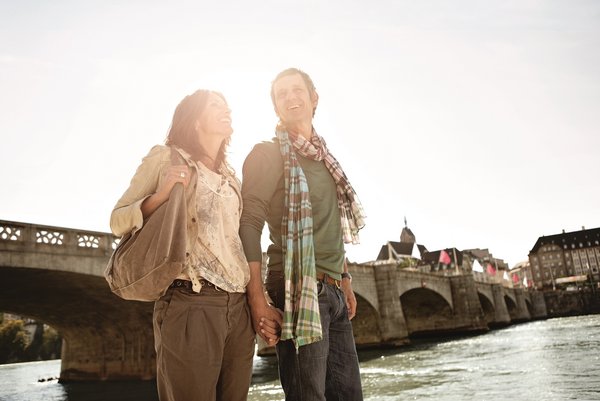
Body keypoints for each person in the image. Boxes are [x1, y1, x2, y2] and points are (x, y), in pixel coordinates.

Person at [110, 90, 275, 401]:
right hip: (190, 302)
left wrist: (258, 299)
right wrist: (160, 195)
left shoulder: (230, 176)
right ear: (195, 119)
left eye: (228, 106)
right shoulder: (164, 157)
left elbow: (235, 243)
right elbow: (117, 219)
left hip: (237, 311)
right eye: (216, 106)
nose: (227, 110)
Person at [240, 68, 366, 401]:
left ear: (314, 99)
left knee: (349, 396)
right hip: (294, 285)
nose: (290, 97)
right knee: (308, 396)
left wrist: (345, 277)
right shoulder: (266, 155)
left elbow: (331, 223)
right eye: (281, 94)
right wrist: (257, 299)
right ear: (275, 107)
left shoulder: (326, 159)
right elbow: (248, 223)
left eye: (297, 90)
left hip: (334, 291)